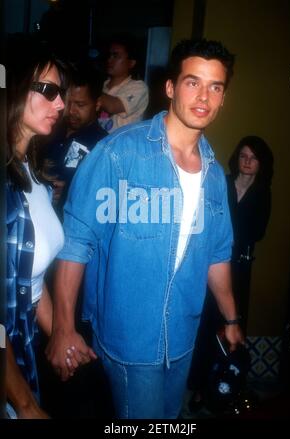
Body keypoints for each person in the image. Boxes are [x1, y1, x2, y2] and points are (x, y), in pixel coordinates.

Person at [46, 38, 244, 419]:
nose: (204, 96)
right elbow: (76, 242)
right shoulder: (118, 153)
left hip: (183, 337)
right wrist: (62, 328)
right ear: (170, 88)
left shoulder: (215, 176)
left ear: (222, 97)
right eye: (192, 82)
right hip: (128, 342)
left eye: (215, 87)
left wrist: (232, 319)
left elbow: (217, 254)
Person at [5, 37, 67, 418]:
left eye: (61, 93)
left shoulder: (31, 171)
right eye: (47, 90)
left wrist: (62, 334)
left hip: (23, 342)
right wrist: (24, 404)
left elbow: (32, 279)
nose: (59, 104)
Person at [42, 64, 107, 219]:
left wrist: (69, 190)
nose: (70, 111)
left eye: (80, 105)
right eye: (68, 102)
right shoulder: (47, 127)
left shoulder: (103, 145)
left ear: (97, 104)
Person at [227, 136, 274, 332]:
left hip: (240, 263)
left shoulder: (262, 192)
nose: (247, 161)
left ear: (261, 162)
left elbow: (258, 233)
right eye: (243, 156)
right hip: (214, 259)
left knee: (235, 314)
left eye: (253, 157)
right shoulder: (223, 183)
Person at [97, 34, 149, 133]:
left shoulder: (139, 87)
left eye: (115, 56)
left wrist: (89, 91)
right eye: (109, 55)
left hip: (123, 146)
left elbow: (113, 106)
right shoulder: (103, 84)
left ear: (131, 63)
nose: (109, 60)